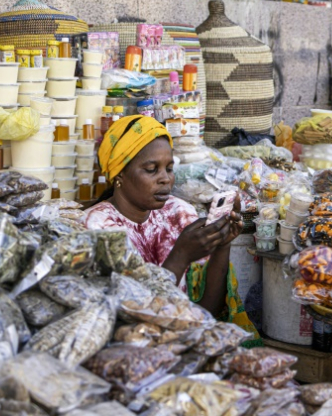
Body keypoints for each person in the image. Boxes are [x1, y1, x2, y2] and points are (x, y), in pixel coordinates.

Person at [84, 115, 260, 344]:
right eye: (151, 169)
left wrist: (222, 244)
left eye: (169, 168)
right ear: (119, 175)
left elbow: (207, 310)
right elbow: (128, 323)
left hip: (185, 343)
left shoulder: (178, 212)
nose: (165, 179)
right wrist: (181, 256)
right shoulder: (97, 228)